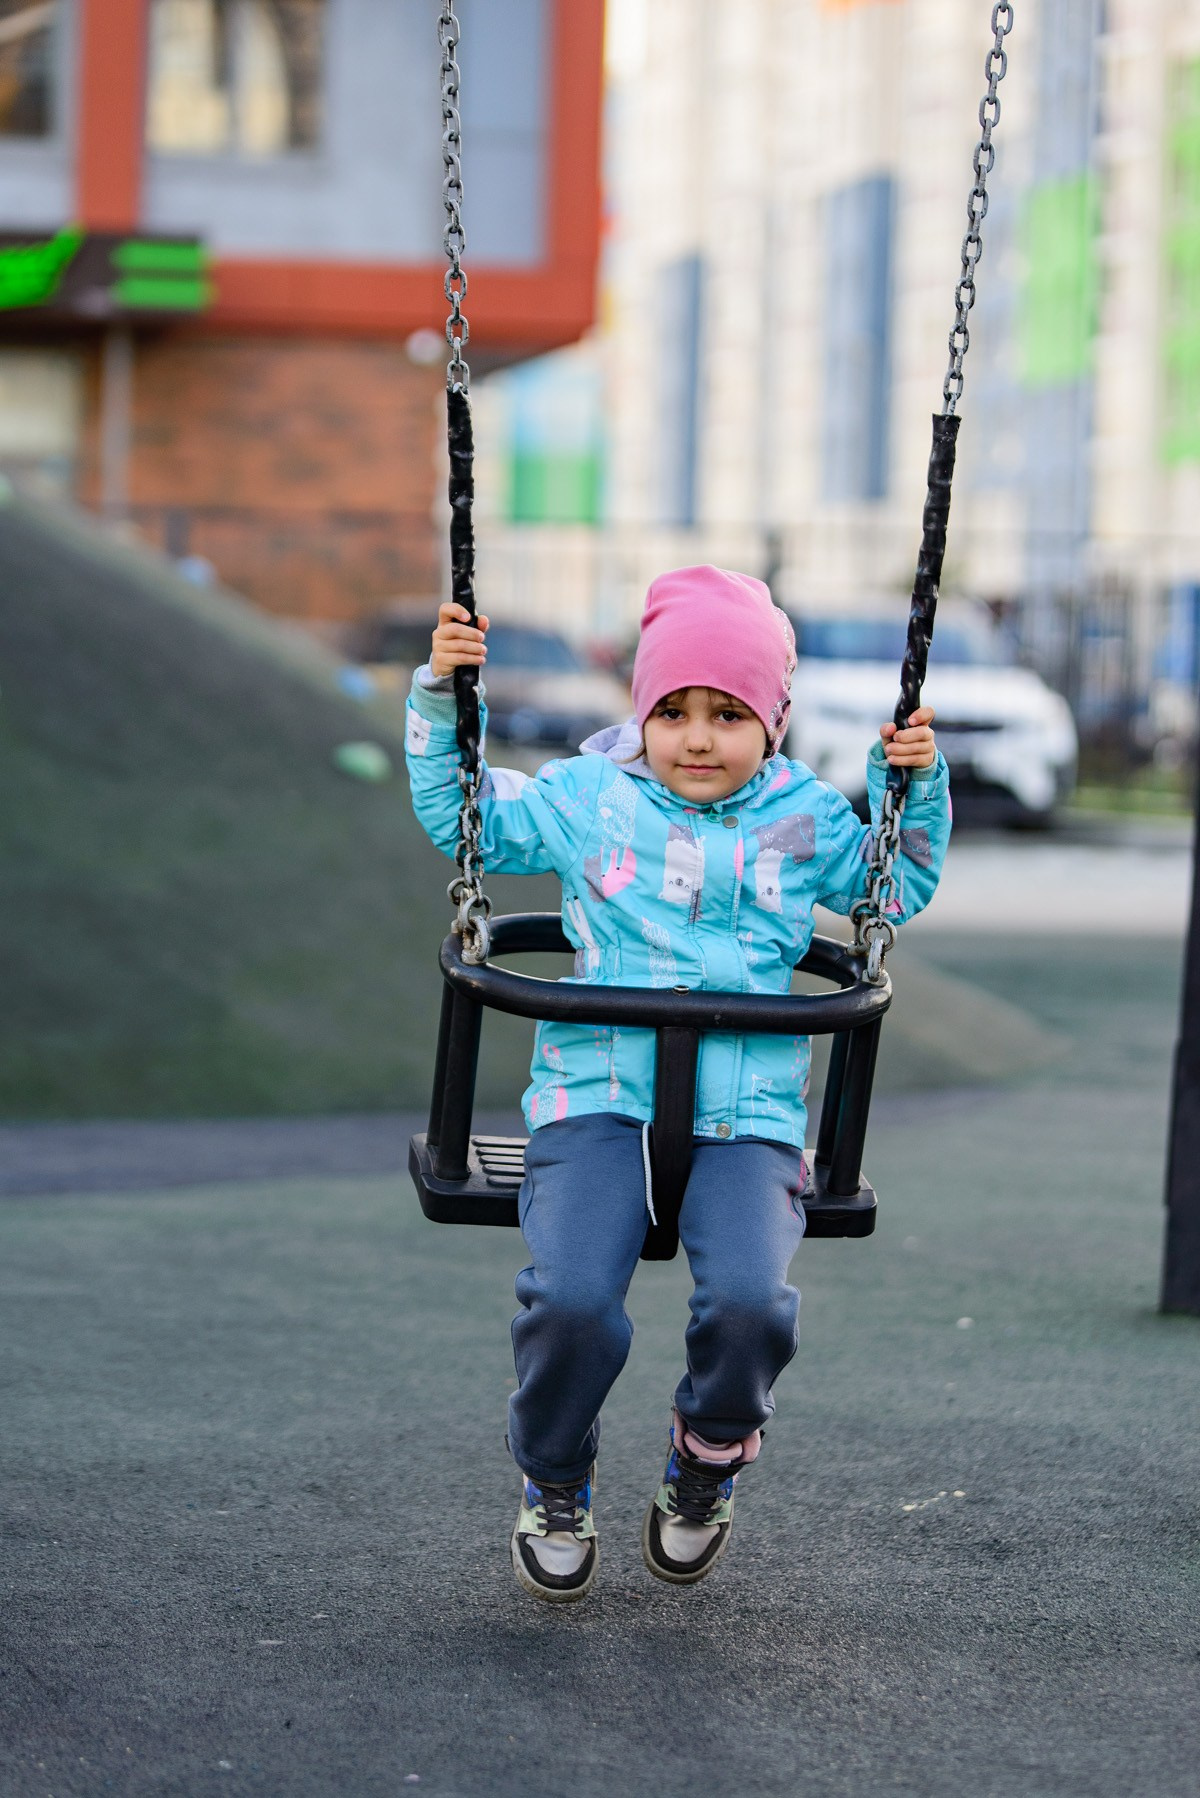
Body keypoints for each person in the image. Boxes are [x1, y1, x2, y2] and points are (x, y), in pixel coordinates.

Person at [405, 565, 950, 1603]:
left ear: (773, 720)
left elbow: (896, 882)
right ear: (641, 713)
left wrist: (912, 786)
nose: (699, 737)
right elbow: (464, 815)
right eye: (675, 711)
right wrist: (441, 695)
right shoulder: (585, 800)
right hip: (597, 1099)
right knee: (569, 1303)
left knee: (751, 1304)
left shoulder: (804, 821)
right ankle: (555, 1472)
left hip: (746, 1118)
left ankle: (707, 1454)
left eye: (730, 713)